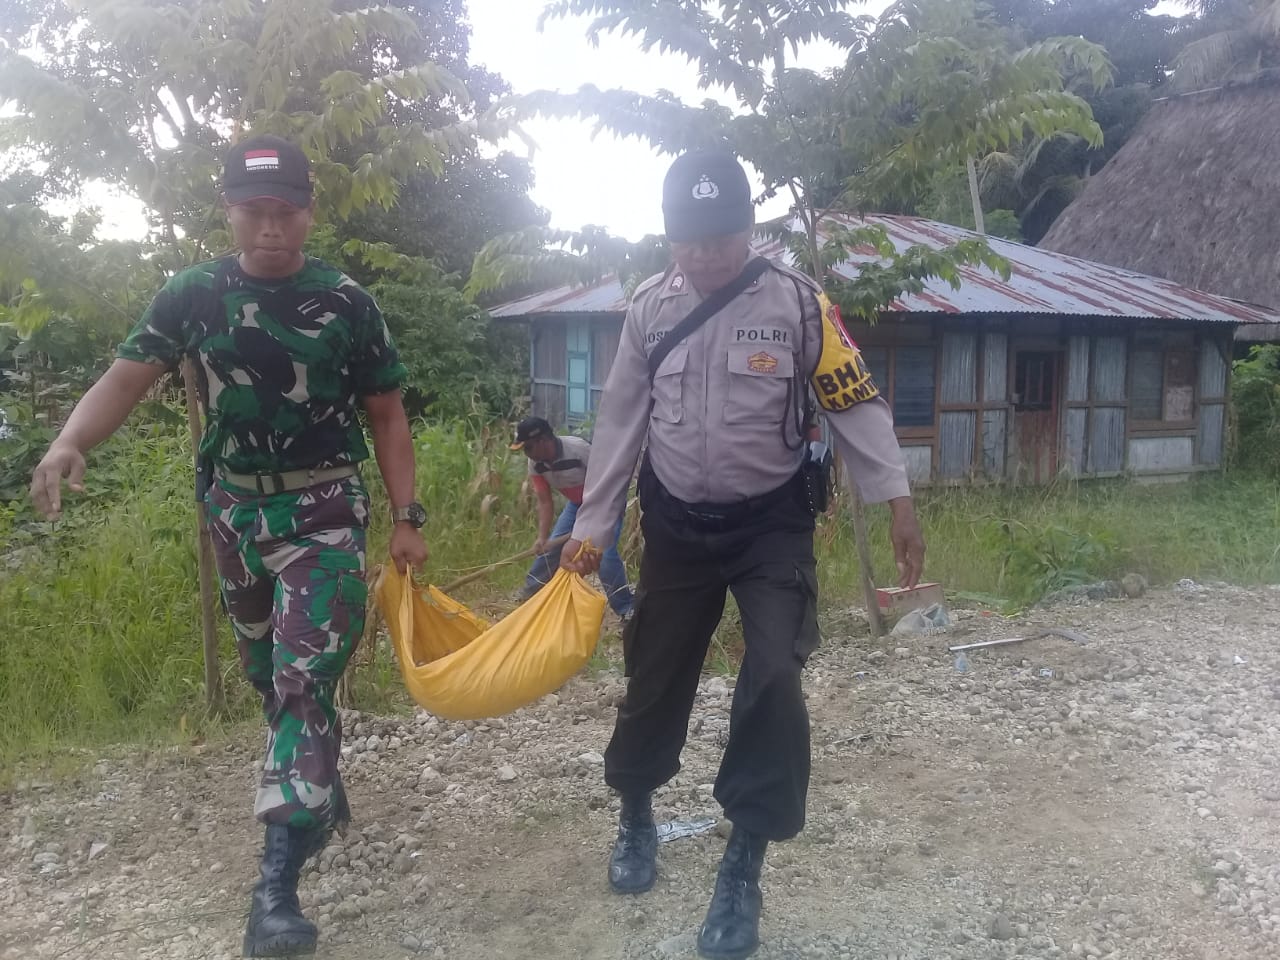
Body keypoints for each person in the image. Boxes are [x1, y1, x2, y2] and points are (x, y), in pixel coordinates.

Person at [28, 135, 429, 958]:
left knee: (300, 672)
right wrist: (70, 442)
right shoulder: (193, 294)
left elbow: (387, 413)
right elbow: (127, 376)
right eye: (255, 212)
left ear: (309, 212)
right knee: (264, 673)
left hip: (325, 509)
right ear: (231, 213)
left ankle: (276, 885)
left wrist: (407, 516)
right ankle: (318, 774)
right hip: (234, 516)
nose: (271, 228)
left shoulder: (348, 303)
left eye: (286, 211)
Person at [559, 150, 926, 960]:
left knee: (775, 676)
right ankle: (635, 813)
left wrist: (896, 498)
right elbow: (620, 424)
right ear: (668, 238)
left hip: (771, 529)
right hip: (678, 532)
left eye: (720, 239)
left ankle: (742, 864)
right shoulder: (650, 311)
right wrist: (590, 532)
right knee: (653, 677)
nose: (704, 257)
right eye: (687, 242)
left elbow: (853, 403)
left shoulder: (799, 306)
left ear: (748, 230)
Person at [511, 415, 634, 619]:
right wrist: (543, 538)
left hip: (605, 504)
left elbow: (609, 480)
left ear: (542, 441)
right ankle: (530, 593)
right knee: (549, 550)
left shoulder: (579, 450)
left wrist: (596, 525)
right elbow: (545, 501)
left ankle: (626, 608)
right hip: (576, 505)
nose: (526, 454)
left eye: (528, 448)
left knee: (604, 555)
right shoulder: (535, 464)